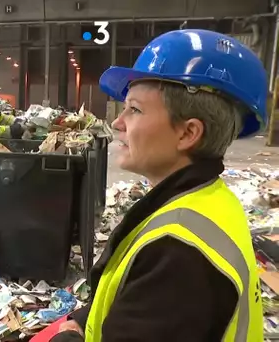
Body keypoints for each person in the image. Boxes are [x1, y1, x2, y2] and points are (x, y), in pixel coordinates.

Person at [52, 29, 266, 342]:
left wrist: (65, 337)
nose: (118, 122)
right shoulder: (208, 200)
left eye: (135, 109)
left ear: (187, 133)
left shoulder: (179, 255)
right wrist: (84, 319)